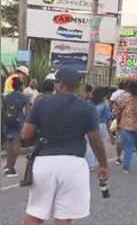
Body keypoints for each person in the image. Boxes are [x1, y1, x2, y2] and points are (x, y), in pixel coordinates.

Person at [20, 68, 109, 224]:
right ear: (77, 86)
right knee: (64, 214)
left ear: (59, 84)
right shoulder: (87, 108)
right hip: (73, 164)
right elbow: (96, 142)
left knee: (36, 211)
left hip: (44, 162)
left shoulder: (41, 103)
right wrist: (103, 164)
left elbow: (25, 135)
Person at [2, 76, 30, 176]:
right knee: (16, 144)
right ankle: (11, 168)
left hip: (7, 122)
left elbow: (2, 111)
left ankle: (8, 165)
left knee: (8, 142)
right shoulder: (24, 98)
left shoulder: (6, 97)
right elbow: (27, 113)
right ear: (21, 86)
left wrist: (3, 123)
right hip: (18, 123)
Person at [85, 88, 115, 171]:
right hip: (101, 125)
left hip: (89, 125)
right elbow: (108, 116)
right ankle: (101, 163)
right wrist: (114, 113)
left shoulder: (88, 104)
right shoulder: (104, 105)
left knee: (89, 146)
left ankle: (90, 165)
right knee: (101, 144)